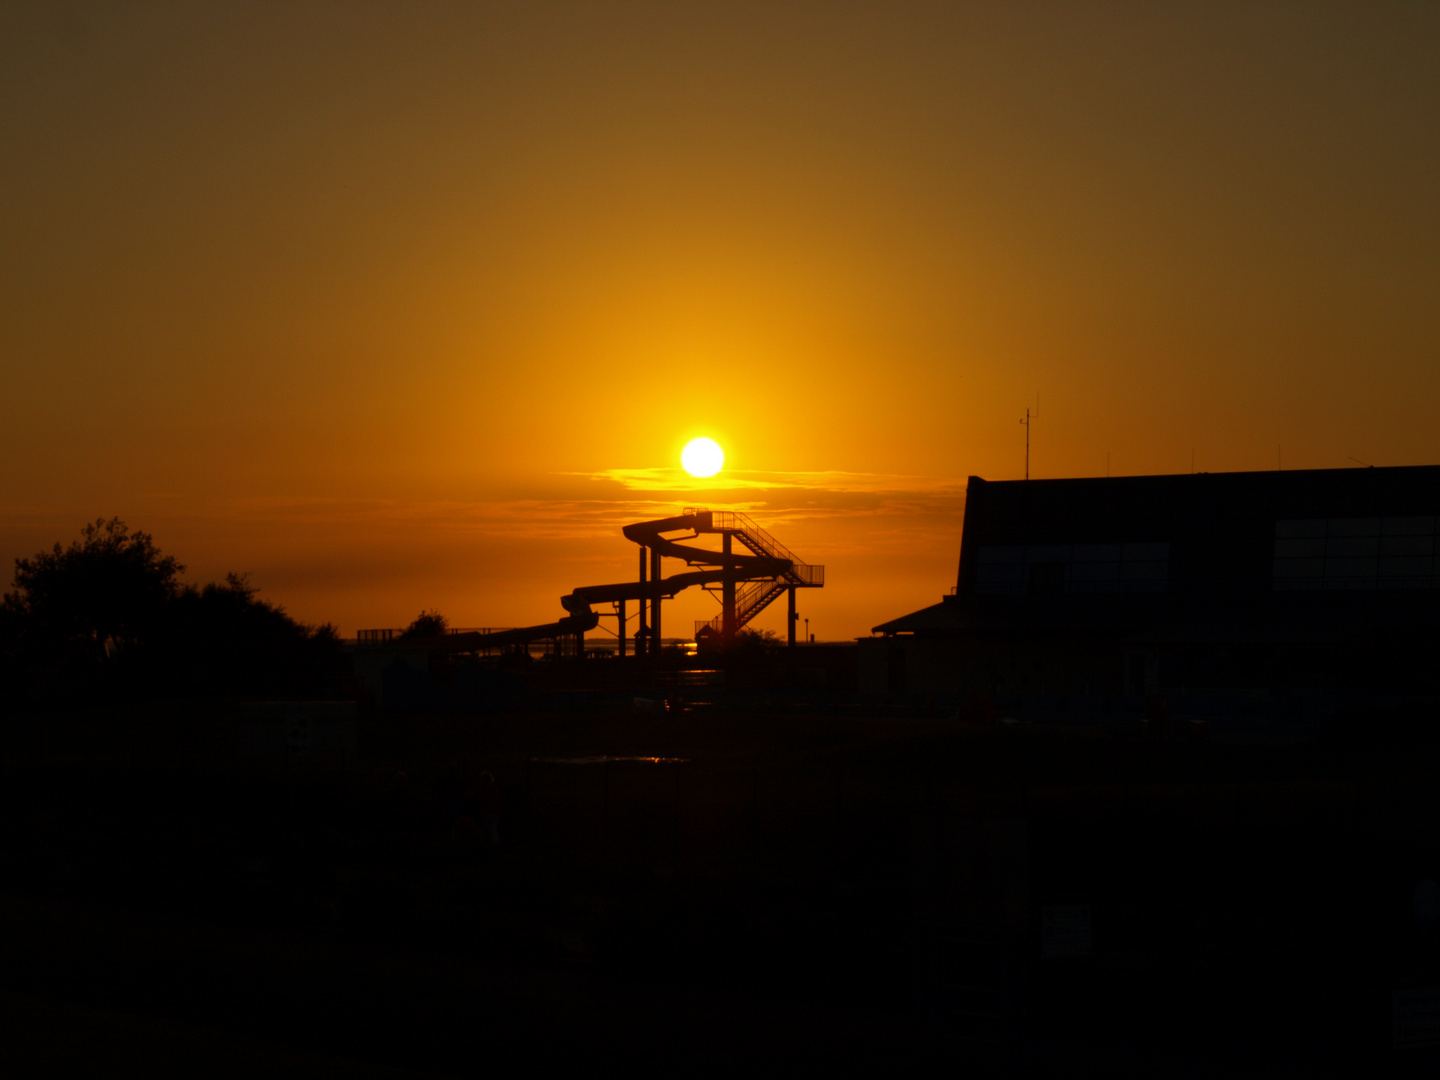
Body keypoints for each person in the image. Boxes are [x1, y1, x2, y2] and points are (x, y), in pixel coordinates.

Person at [478, 771, 503, 846]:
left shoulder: (485, 789)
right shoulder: (494, 789)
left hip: (487, 811)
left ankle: (482, 842)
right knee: (492, 828)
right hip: (494, 811)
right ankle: (495, 842)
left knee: (484, 827)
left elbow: (485, 800)